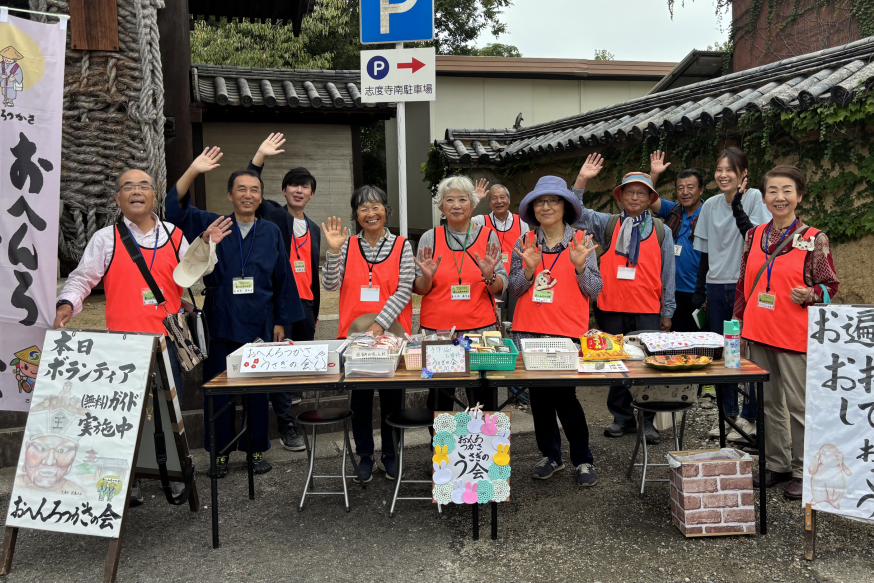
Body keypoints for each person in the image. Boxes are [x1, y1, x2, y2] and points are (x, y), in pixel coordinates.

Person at [54, 167, 216, 504]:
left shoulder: (173, 234)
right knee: (124, 415)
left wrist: (205, 246)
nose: (137, 191)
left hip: (167, 344)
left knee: (170, 413)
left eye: (144, 185)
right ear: (118, 198)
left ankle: (174, 474)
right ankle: (130, 479)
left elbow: (199, 272)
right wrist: (67, 302)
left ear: (155, 195)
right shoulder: (106, 238)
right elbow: (83, 277)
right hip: (123, 347)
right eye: (128, 187)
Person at [167, 146, 304, 479]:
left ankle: (255, 450)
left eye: (254, 190)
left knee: (257, 391)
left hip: (260, 321)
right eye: (241, 189)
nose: (248, 195)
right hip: (222, 318)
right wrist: (193, 170)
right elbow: (173, 210)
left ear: (261, 197)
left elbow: (283, 278)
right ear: (230, 195)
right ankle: (220, 453)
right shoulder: (214, 224)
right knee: (219, 390)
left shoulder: (271, 231)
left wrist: (281, 321)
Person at [734, 165, 838, 500]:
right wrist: (737, 326)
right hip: (758, 331)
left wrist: (810, 294)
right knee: (767, 402)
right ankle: (776, 464)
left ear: (800, 196)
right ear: (763, 198)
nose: (779, 197)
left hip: (794, 336)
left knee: (799, 406)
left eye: (787, 190)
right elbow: (743, 282)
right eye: (773, 191)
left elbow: (830, 287)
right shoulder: (754, 236)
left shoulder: (814, 238)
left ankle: (803, 470)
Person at [572, 154, 676, 445]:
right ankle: (621, 418)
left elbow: (668, 273)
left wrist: (667, 311)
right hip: (611, 307)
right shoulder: (607, 224)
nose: (635, 197)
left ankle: (647, 420)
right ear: (620, 196)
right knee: (615, 364)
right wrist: (581, 180)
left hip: (648, 310)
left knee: (648, 367)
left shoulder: (662, 230)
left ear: (650, 198)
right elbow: (576, 214)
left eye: (641, 193)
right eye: (629, 192)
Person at [509, 176, 602, 486]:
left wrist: (580, 267)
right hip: (529, 331)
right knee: (539, 398)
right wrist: (528, 269)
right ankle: (551, 455)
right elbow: (513, 289)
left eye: (553, 200)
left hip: (565, 333)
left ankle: (583, 459)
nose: (545, 206)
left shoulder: (582, 240)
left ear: (566, 206)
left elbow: (594, 290)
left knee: (565, 397)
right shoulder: (524, 242)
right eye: (539, 201)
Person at [321, 186, 414, 482]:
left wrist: (379, 324)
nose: (370, 213)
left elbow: (405, 288)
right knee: (359, 401)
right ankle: (365, 455)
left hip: (392, 337)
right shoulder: (346, 245)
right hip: (354, 339)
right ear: (356, 214)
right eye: (363, 208)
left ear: (386, 210)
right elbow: (330, 285)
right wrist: (333, 251)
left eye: (376, 207)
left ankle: (391, 454)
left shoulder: (402, 245)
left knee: (393, 400)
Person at [690, 147, 771, 441]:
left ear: (743, 173)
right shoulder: (710, 205)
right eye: (719, 170)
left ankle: (750, 417)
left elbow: (756, 238)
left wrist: (738, 204)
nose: (723, 175)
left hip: (744, 285)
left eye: (730, 170)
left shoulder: (754, 198)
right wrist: (700, 292)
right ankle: (727, 415)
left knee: (747, 352)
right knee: (722, 354)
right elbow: (705, 254)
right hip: (715, 285)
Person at [414, 175, 506, 412]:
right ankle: (442, 437)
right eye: (449, 200)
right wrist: (427, 277)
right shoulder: (430, 237)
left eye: (462, 199)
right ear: (440, 206)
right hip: (439, 332)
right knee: (440, 399)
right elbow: (420, 289)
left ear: (473, 204)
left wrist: (489, 275)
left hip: (480, 331)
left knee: (483, 398)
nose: (456, 205)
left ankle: (481, 437)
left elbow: (500, 286)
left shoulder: (488, 236)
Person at [260, 137, 321, 452]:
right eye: (293, 185)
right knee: (281, 364)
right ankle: (286, 425)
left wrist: (316, 309)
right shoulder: (273, 216)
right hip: (280, 306)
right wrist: (260, 157)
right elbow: (250, 191)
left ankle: (294, 414)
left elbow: (312, 272)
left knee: (299, 366)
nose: (299, 190)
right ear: (284, 191)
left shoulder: (315, 229)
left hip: (306, 305)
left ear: (311, 193)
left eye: (304, 186)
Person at [647, 152, 704, 333]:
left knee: (699, 342)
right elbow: (648, 199)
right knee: (674, 340)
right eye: (680, 188)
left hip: (699, 294)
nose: (685, 192)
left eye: (690, 187)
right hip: (671, 293)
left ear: (701, 190)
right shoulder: (673, 210)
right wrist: (654, 174)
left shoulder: (709, 214)